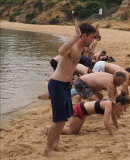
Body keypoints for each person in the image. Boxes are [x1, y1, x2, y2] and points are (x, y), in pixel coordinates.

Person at [44, 20, 96, 157]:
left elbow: (72, 65)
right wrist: (75, 35)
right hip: (57, 85)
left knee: (63, 119)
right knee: (57, 120)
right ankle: (47, 149)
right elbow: (60, 51)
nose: (92, 41)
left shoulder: (79, 49)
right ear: (84, 36)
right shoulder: (72, 47)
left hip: (65, 86)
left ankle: (55, 144)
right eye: (91, 37)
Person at [45, 90, 130, 136]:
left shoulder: (113, 103)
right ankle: (49, 128)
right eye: (125, 107)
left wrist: (118, 128)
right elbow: (106, 123)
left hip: (83, 110)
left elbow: (114, 117)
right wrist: (113, 135)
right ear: (119, 104)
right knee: (70, 132)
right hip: (79, 109)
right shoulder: (109, 104)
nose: (125, 110)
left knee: (75, 132)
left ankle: (51, 128)